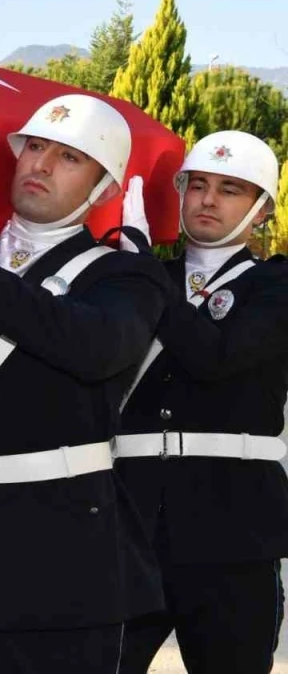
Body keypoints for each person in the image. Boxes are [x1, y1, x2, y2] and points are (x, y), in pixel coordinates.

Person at [0, 94, 169, 674]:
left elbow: (96, 346)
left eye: (68, 157)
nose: (39, 164)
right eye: (34, 147)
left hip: (61, 563)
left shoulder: (124, 274)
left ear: (104, 190)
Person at [114, 131, 288, 674]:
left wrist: (142, 275)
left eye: (231, 189)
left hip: (233, 529)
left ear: (260, 211)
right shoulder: (141, 274)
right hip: (131, 522)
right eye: (198, 185)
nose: (209, 200)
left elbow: (217, 356)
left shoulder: (274, 283)